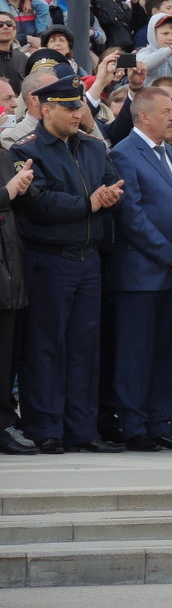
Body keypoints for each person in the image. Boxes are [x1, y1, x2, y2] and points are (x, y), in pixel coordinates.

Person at [9, 74, 126, 453]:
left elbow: (114, 183)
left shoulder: (92, 147)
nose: (78, 113)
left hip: (88, 259)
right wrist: (86, 204)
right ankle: (46, 428)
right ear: (45, 109)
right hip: (49, 260)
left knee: (83, 348)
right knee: (46, 347)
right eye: (70, 107)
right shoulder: (27, 150)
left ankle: (82, 429)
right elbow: (36, 203)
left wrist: (108, 196)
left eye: (79, 106)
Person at [107, 87, 172, 451]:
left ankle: (158, 422)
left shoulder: (171, 156)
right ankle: (134, 426)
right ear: (144, 115)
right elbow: (132, 216)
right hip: (140, 276)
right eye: (166, 110)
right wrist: (167, 253)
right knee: (135, 354)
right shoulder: (124, 154)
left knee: (165, 352)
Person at [0, 141, 34, 453]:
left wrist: (22, 189)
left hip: (9, 268)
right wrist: (7, 192)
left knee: (6, 356)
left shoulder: (3, 153)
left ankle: (4, 425)